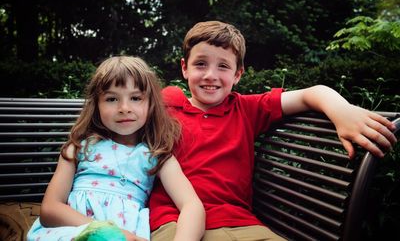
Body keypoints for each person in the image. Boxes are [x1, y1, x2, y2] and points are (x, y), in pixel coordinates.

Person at [149, 21, 398, 241]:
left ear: (238, 74)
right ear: (185, 68)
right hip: (175, 221)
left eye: (223, 66)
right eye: (200, 64)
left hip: (240, 224)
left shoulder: (246, 109)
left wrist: (342, 111)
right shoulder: (168, 103)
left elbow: (311, 94)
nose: (210, 75)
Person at [27, 56, 205, 241]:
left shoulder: (155, 156)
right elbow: (49, 209)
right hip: (75, 230)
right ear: (96, 105)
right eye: (111, 99)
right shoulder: (81, 147)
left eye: (136, 98)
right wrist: (105, 231)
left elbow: (191, 205)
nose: (124, 108)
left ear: (151, 105)